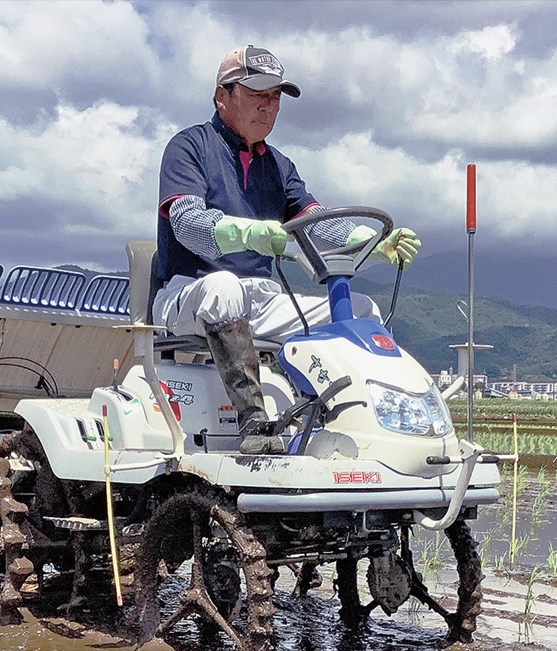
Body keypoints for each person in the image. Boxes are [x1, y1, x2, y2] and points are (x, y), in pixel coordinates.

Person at [153, 45, 421, 455]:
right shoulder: (189, 147)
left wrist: (371, 240)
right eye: (257, 95)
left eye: (275, 97)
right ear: (222, 96)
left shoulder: (278, 166)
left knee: (363, 310)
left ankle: (359, 422)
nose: (269, 107)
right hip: (190, 291)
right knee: (225, 286)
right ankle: (255, 424)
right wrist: (247, 234)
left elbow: (319, 223)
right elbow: (187, 223)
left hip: (261, 299)